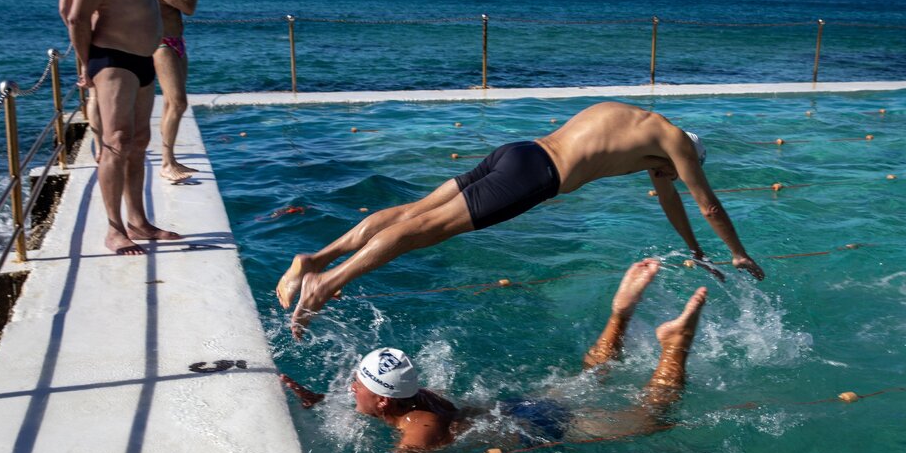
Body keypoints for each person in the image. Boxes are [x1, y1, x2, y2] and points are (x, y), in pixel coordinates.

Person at [277, 101, 764, 338]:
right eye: (673, 173)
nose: (665, 179)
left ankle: (314, 258)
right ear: (683, 158)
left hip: (519, 151)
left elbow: (670, 203)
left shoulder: (644, 124)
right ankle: (326, 282)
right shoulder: (677, 148)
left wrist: (698, 252)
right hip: (537, 177)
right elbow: (707, 206)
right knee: (426, 230)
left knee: (412, 210)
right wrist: (738, 253)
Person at [281, 259, 707, 453]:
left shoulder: (419, 431)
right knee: (589, 378)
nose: (350, 387)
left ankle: (675, 345)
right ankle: (619, 314)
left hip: (538, 424)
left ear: (385, 401)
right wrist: (316, 400)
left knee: (654, 419)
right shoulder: (417, 398)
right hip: (515, 409)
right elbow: (366, 408)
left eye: (358, 384)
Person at [66, 0, 181, 255]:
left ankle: (139, 221)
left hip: (143, 58)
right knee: (115, 141)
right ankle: (115, 229)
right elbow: (76, 15)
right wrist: (87, 66)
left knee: (139, 142)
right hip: (112, 58)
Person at [147, 0, 200, 182]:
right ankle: (166, 163)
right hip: (162, 44)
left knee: (171, 103)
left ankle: (171, 158)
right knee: (178, 102)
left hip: (177, 41)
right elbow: (187, 7)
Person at [59, 0, 105, 159]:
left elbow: (64, 10)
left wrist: (74, 32)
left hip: (83, 36)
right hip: (107, 34)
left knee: (94, 96)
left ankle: (99, 145)